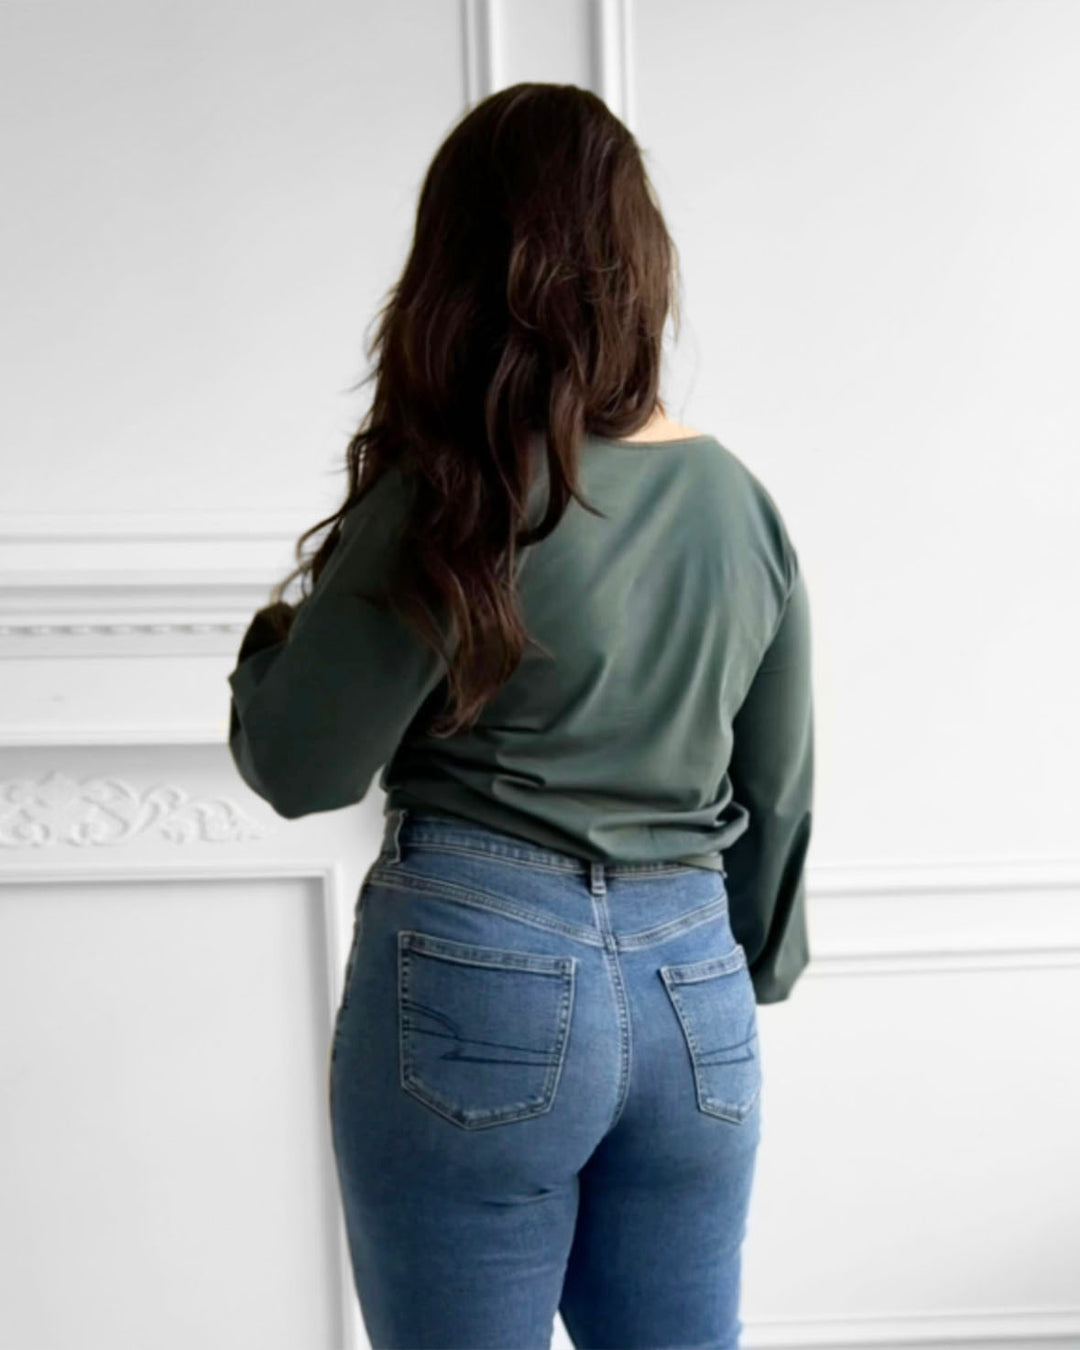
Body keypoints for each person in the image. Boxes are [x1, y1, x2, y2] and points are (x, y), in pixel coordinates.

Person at [227, 81, 813, 1350]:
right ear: (641, 265)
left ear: (456, 269)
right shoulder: (740, 503)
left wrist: (275, 639)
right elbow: (776, 790)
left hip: (479, 972)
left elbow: (302, 765)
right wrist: (745, 967)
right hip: (694, 993)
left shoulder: (458, 493)